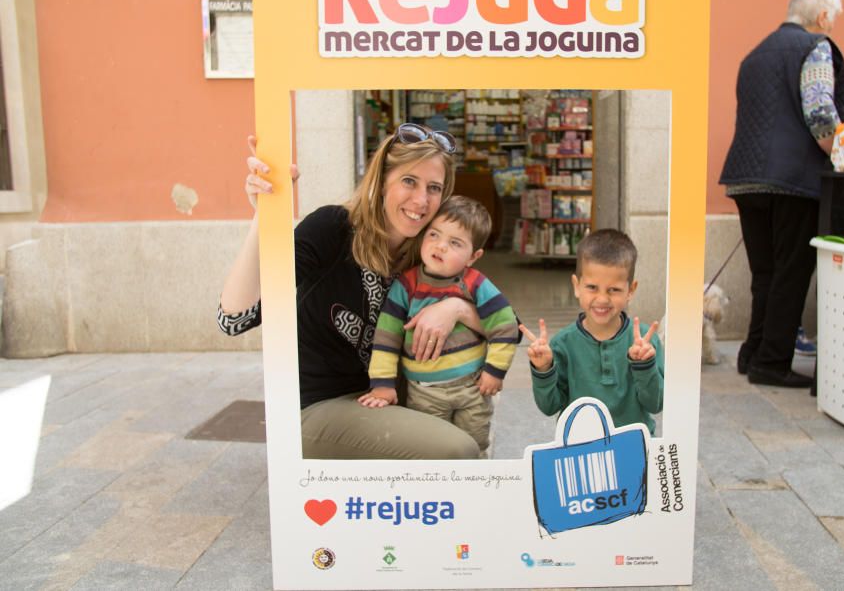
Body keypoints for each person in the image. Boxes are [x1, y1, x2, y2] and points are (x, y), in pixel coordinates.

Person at [218, 124, 485, 460]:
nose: (421, 200)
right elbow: (235, 319)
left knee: (476, 401)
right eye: (409, 181)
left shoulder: (430, 252)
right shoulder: (333, 228)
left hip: (388, 398)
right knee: (457, 450)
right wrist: (263, 216)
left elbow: (507, 324)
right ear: (382, 180)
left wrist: (455, 310)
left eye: (434, 188)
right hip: (317, 407)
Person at [719, 0, 844, 388]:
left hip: (745, 176)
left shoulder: (754, 55)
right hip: (793, 177)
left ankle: (751, 353)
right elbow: (819, 114)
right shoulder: (816, 46)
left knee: (765, 273)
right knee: (791, 272)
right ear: (824, 17)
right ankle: (771, 364)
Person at [358, 196, 519, 454]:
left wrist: (494, 371)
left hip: (473, 389)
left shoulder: (476, 285)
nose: (440, 246)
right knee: (431, 450)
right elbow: (387, 337)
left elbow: (506, 325)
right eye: (434, 235)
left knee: (473, 447)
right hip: (423, 394)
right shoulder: (406, 286)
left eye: (455, 243)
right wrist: (383, 385)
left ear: (473, 256)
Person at [520, 229, 664, 435]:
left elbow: (656, 404)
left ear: (630, 290)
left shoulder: (644, 342)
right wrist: (543, 369)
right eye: (592, 287)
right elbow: (549, 406)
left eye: (613, 289)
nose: (602, 299)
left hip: (636, 448)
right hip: (580, 451)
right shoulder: (563, 344)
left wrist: (644, 365)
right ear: (576, 286)